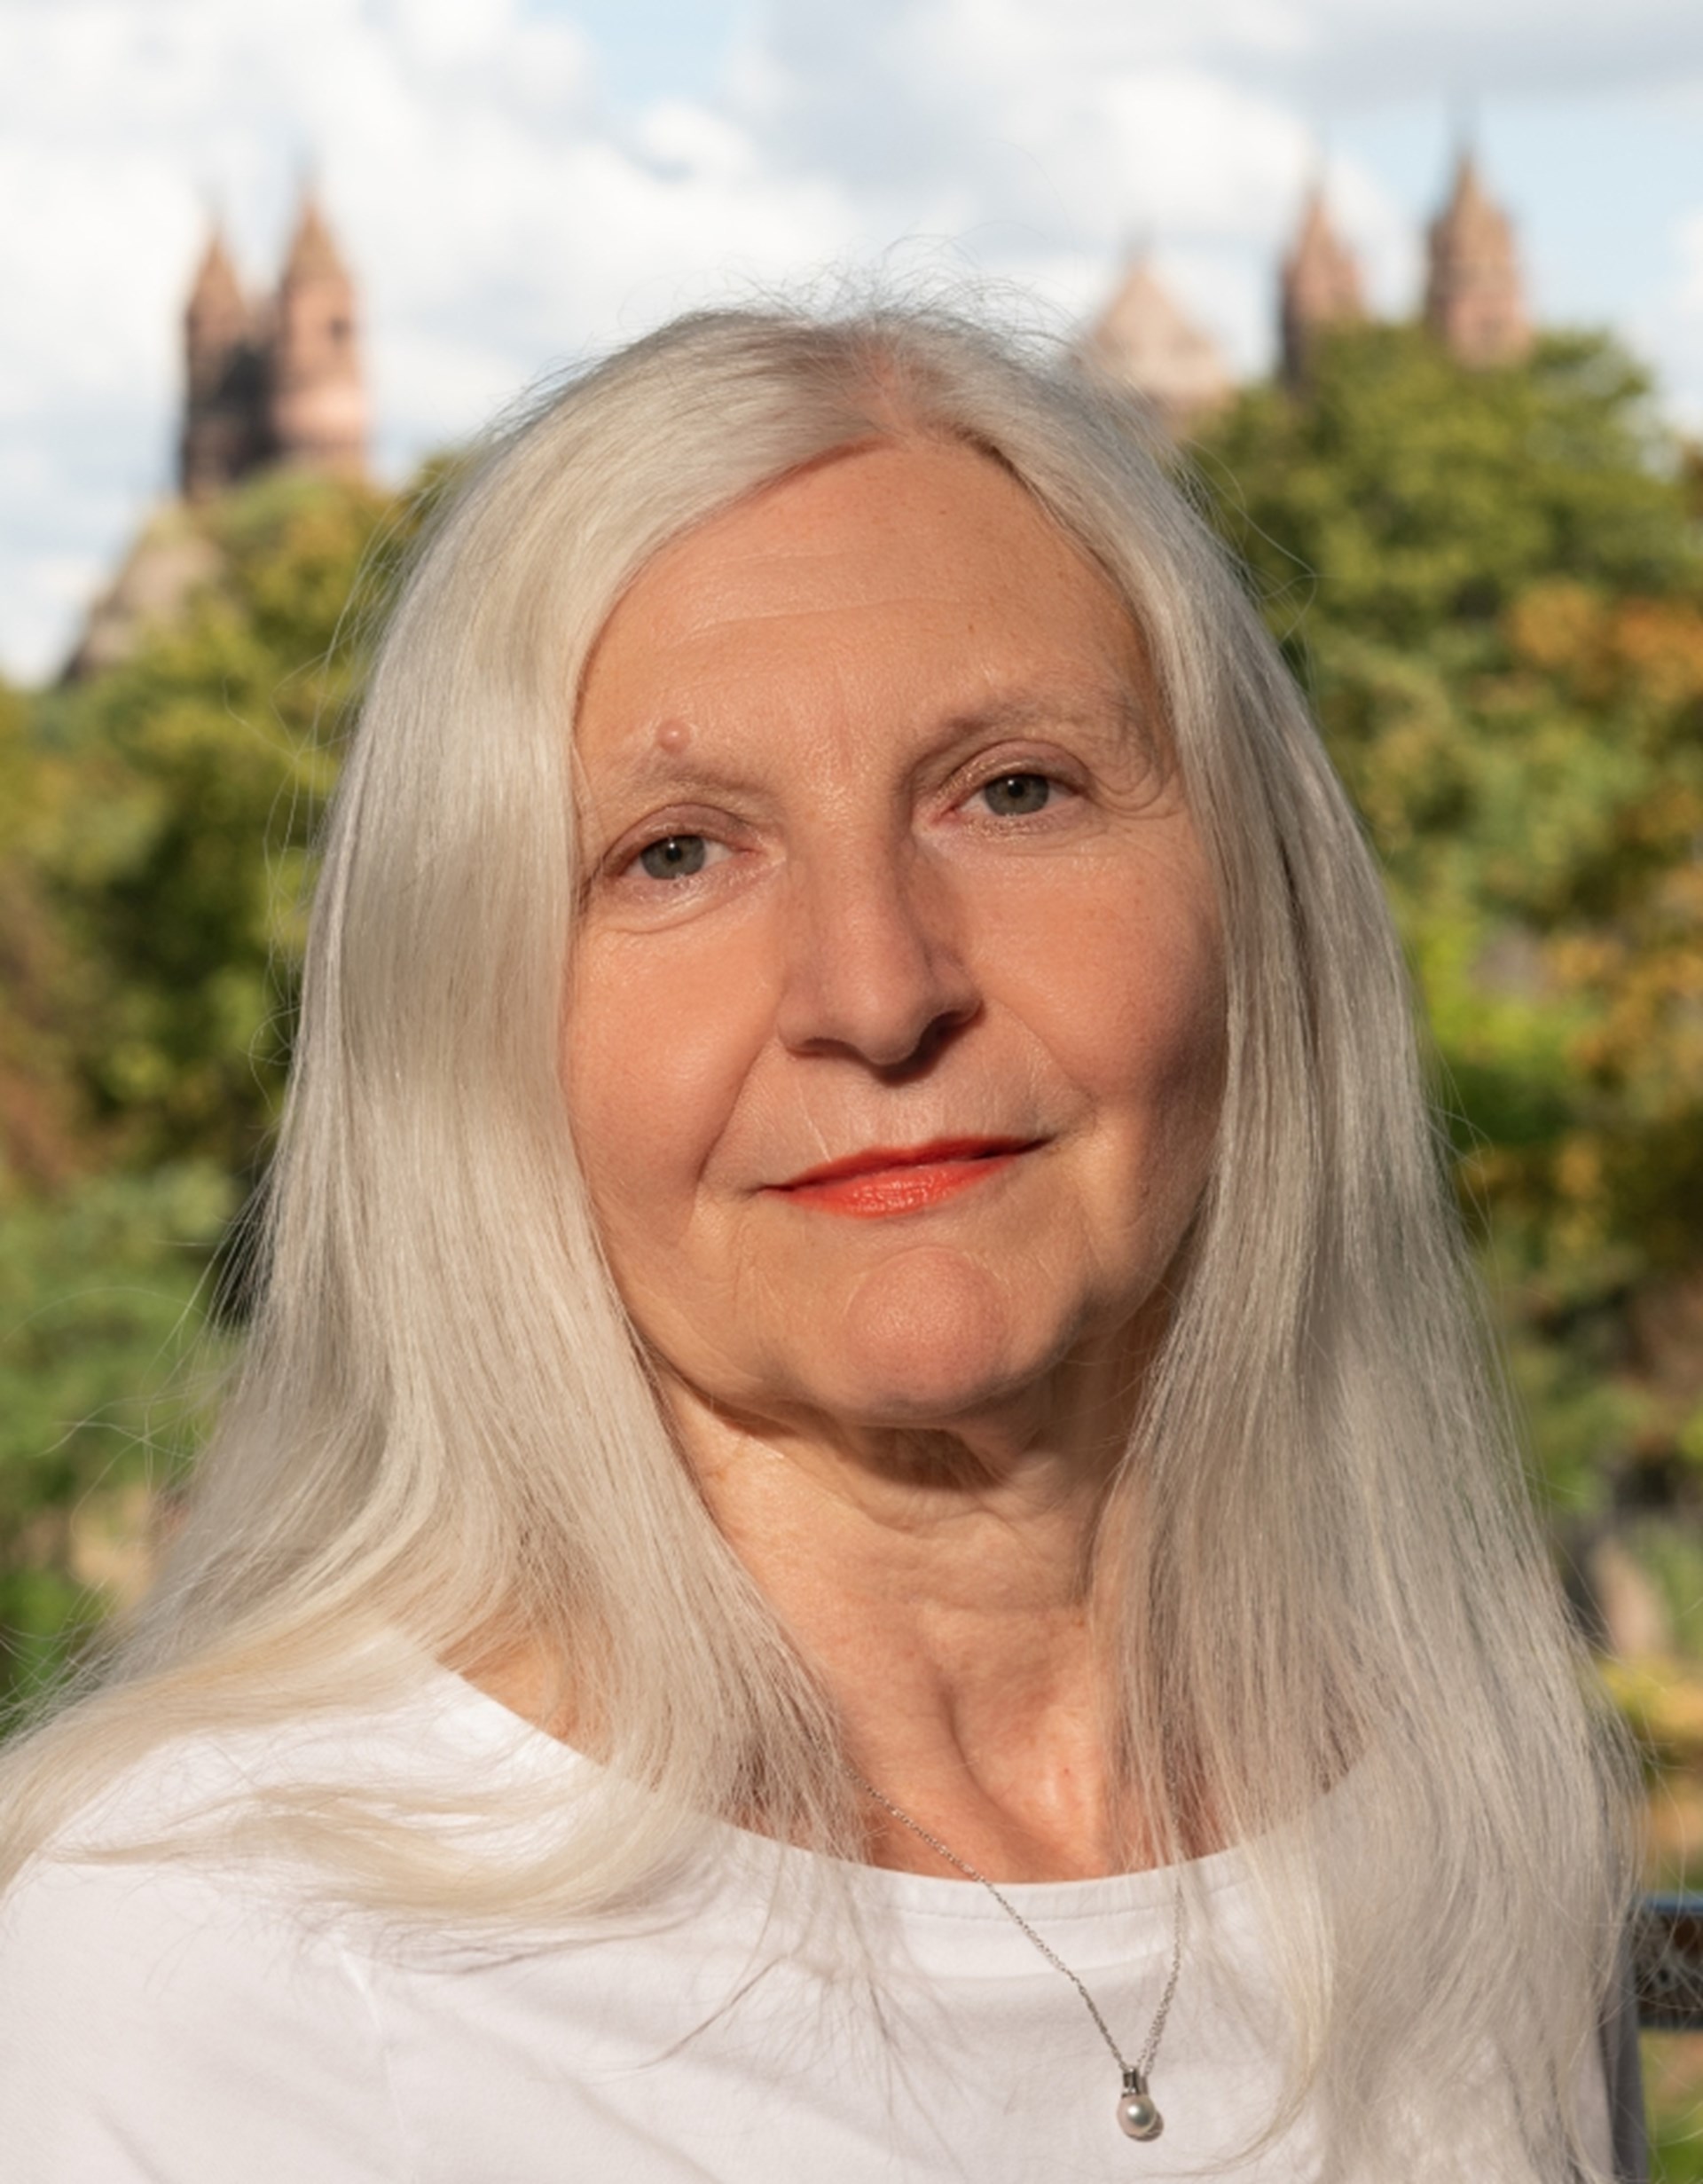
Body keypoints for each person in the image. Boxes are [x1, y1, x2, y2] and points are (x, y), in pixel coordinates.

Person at [0, 302, 1643, 2180]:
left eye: (1014, 789)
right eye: (679, 851)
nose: (877, 989)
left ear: (1260, 915)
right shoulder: (218, 1951)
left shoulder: (1480, 1825)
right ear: (473, 1023)